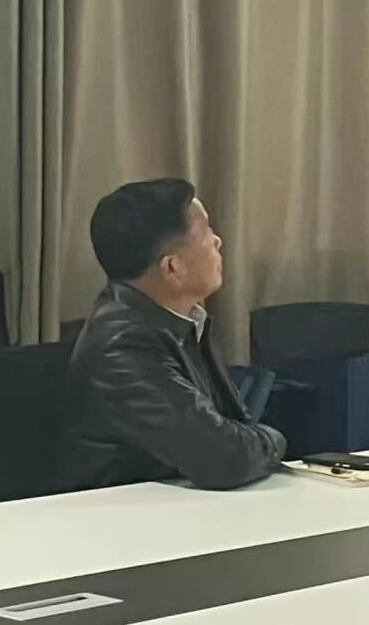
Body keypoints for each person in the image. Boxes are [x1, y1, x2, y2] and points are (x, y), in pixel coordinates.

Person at [58, 178, 287, 491]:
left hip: (186, 501)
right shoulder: (123, 346)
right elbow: (225, 457)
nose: (218, 241)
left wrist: (255, 442)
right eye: (205, 233)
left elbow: (235, 428)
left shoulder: (182, 319)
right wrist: (276, 440)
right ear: (173, 268)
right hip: (130, 512)